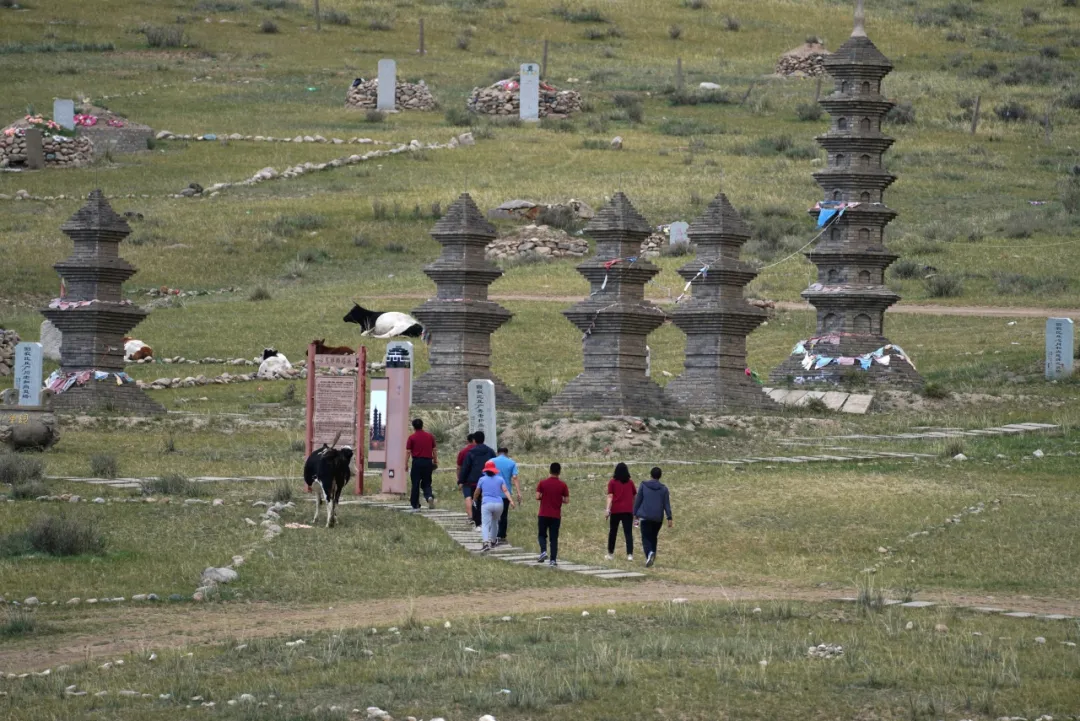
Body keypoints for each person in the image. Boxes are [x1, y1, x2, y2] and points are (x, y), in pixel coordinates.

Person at [633, 466, 672, 568]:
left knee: (645, 537)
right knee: (653, 537)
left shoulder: (643, 485)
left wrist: (635, 513)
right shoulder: (664, 489)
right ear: (660, 476)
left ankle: (649, 553)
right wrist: (669, 518)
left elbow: (638, 500)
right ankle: (652, 557)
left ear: (650, 475)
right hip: (658, 518)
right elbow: (666, 504)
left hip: (645, 516)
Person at [473, 459, 515, 552]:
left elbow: (477, 492)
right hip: (499, 503)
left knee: (485, 524)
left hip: (486, 503)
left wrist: (474, 499)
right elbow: (505, 490)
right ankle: (493, 541)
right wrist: (511, 500)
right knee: (495, 522)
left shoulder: (482, 479)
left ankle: (485, 543)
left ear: (485, 470)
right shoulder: (500, 479)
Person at [459, 431, 496, 528]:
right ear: (484, 439)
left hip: (473, 482)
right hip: (488, 480)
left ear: (474, 440)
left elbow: (466, 468)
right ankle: (488, 521)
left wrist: (461, 480)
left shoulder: (470, 453)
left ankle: (478, 523)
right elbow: (495, 465)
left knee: (475, 501)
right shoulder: (490, 451)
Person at [536, 461, 569, 567]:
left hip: (543, 514)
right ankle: (553, 560)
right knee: (554, 538)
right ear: (559, 472)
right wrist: (558, 498)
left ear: (549, 470)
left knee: (542, 535)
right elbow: (566, 500)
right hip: (555, 515)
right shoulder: (563, 485)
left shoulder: (542, 483)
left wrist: (545, 496)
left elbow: (537, 496)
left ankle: (543, 551)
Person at [605, 462, 636, 561]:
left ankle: (610, 553)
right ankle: (630, 554)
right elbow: (634, 496)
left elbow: (610, 496)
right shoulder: (630, 482)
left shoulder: (612, 482)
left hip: (616, 510)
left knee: (613, 532)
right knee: (628, 533)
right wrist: (634, 508)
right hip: (628, 511)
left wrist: (607, 509)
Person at [405, 418, 438, 511]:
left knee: (415, 483)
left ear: (413, 427)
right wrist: (435, 461)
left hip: (417, 462)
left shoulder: (412, 437)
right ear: (422, 425)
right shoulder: (430, 436)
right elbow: (434, 449)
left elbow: (408, 451)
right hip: (428, 462)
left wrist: (406, 463)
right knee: (427, 482)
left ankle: (415, 505)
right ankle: (429, 496)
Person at [493, 446, 521, 546]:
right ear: (507, 453)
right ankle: (501, 536)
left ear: (497, 453)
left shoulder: (491, 461)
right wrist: (518, 492)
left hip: (493, 493)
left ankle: (492, 535)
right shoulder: (511, 463)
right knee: (504, 515)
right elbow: (515, 477)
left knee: (493, 514)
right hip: (505, 493)